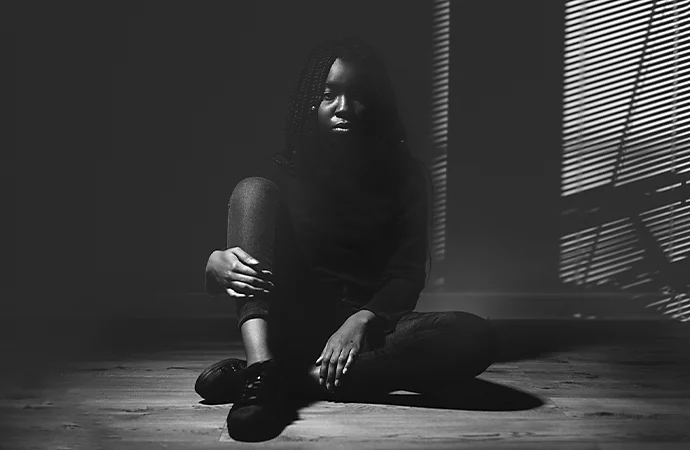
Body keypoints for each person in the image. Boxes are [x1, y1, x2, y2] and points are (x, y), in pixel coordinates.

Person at [197, 37, 498, 441]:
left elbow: (407, 276)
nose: (343, 108)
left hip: (367, 333)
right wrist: (212, 266)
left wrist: (360, 320)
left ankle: (278, 379)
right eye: (329, 95)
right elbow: (244, 263)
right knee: (251, 189)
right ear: (310, 101)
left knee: (473, 337)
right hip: (290, 321)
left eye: (357, 96)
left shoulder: (406, 177)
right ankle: (262, 362)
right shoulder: (280, 173)